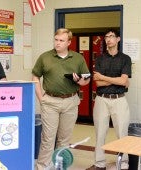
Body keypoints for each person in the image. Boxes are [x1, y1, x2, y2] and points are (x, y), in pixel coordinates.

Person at [32, 28, 90, 170]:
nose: (57, 43)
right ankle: (42, 167)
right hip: (50, 102)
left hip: (71, 101)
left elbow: (86, 81)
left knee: (64, 140)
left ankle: (60, 166)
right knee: (47, 139)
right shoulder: (45, 57)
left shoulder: (77, 58)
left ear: (69, 42)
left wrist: (79, 81)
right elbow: (35, 77)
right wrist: (41, 98)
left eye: (61, 41)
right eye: (56, 40)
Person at [86, 29, 131, 170]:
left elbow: (123, 81)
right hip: (101, 99)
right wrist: (117, 80)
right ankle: (99, 164)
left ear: (118, 39)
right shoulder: (100, 59)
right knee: (100, 133)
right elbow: (98, 83)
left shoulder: (125, 59)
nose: (108, 39)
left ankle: (123, 164)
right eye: (106, 37)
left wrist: (104, 77)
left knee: (122, 133)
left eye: (111, 36)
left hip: (119, 100)